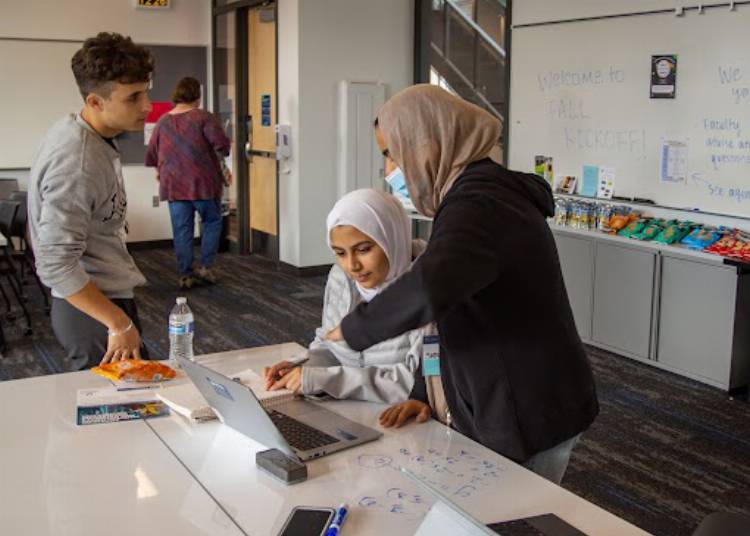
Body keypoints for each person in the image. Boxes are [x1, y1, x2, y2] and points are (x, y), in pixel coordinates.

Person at [327, 85, 599, 485]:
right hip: (505, 395)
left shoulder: (481, 205)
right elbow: (447, 313)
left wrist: (355, 329)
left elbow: (428, 290)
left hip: (529, 404)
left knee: (511, 518)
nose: (388, 172)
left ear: (429, 145)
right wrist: (422, 392)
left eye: (390, 154)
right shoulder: (463, 201)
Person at [28, 32, 153, 370]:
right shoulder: (77, 161)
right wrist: (118, 323)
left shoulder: (88, 133)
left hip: (101, 299)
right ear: (95, 102)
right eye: (133, 98)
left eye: (147, 92)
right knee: (121, 416)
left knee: (139, 406)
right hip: (92, 308)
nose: (147, 107)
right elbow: (54, 263)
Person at [263, 189, 425, 404]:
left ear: (392, 238)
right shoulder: (341, 277)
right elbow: (330, 344)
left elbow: (419, 384)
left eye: (364, 249)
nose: (352, 266)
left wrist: (331, 380)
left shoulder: (428, 288)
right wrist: (304, 366)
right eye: (340, 253)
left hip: (402, 416)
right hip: (348, 407)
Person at [145, 76, 230, 289]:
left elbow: (152, 154)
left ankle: (185, 274)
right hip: (203, 183)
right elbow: (222, 146)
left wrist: (162, 170)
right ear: (197, 96)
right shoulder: (203, 118)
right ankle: (206, 267)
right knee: (211, 222)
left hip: (173, 185)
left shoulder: (163, 122)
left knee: (181, 229)